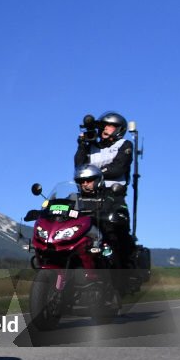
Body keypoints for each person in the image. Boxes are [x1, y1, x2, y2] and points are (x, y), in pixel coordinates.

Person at [74, 111, 134, 264]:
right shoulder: (92, 146)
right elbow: (79, 167)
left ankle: (123, 270)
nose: (105, 129)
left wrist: (94, 172)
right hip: (89, 195)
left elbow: (118, 168)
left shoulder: (124, 145)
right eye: (103, 126)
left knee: (115, 233)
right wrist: (82, 145)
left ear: (119, 128)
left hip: (113, 196)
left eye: (110, 126)